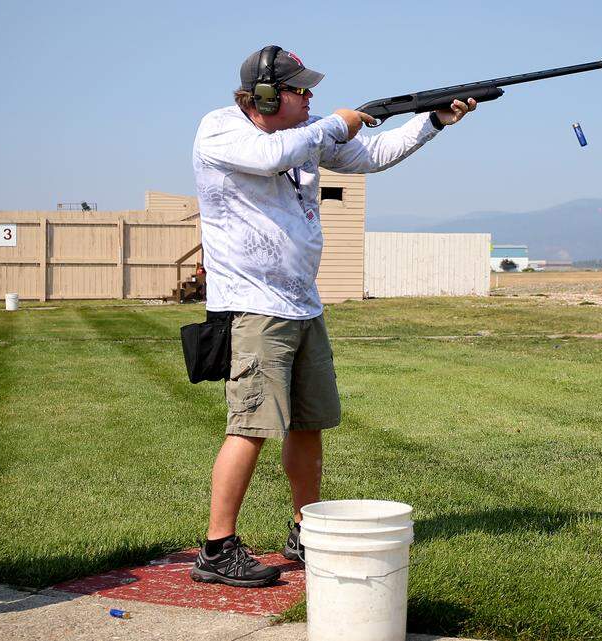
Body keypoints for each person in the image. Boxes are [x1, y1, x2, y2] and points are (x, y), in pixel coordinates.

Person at [188, 46, 475, 587]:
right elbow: (269, 156)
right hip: (254, 305)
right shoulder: (222, 129)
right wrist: (336, 125)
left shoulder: (310, 132)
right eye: (298, 90)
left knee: (309, 421)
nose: (309, 97)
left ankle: (306, 529)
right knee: (250, 426)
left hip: (301, 301)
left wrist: (433, 120)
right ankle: (218, 546)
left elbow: (374, 155)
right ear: (266, 96)